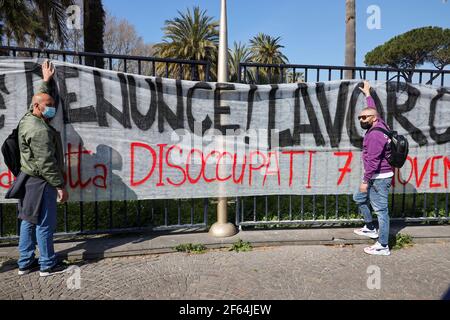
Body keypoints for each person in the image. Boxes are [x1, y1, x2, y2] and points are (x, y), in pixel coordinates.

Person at [16, 60, 69, 276]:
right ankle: (47, 265)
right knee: (45, 223)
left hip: (28, 178)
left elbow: (39, 98)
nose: (51, 110)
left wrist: (46, 81)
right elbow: (47, 163)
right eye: (48, 107)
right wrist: (60, 185)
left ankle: (25, 262)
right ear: (38, 107)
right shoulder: (40, 131)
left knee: (28, 220)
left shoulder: (28, 118)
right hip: (41, 181)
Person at [353, 80, 393, 256]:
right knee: (359, 198)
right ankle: (370, 227)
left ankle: (383, 245)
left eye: (365, 117)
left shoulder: (375, 135)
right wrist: (368, 94)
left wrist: (365, 181)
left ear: (373, 119)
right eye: (360, 117)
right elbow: (372, 109)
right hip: (377, 176)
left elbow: (373, 161)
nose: (362, 119)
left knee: (381, 211)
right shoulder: (380, 124)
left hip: (379, 177)